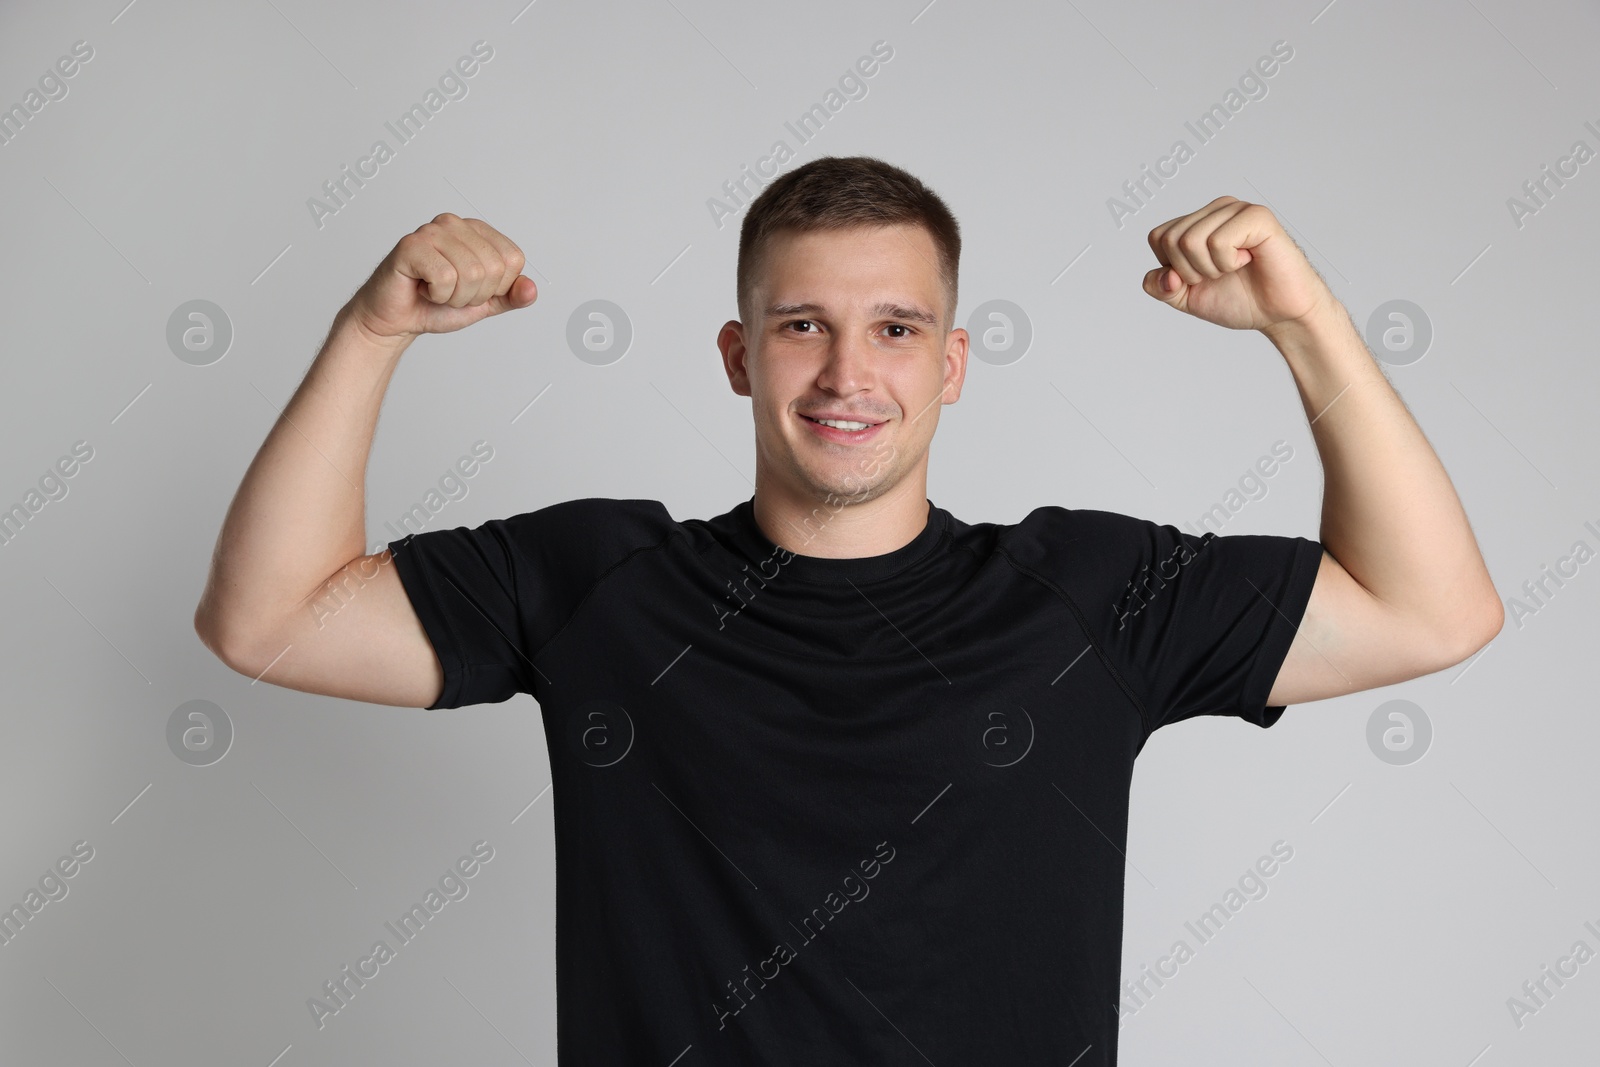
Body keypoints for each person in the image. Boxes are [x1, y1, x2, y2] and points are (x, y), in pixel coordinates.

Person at [193, 155, 1501, 1064]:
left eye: (892, 328)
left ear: (950, 365)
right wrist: (372, 332)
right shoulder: (601, 583)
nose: (844, 373)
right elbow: (268, 619)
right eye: (802, 325)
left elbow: (1431, 610)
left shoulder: (1087, 596)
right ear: (739, 354)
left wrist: (1305, 322)